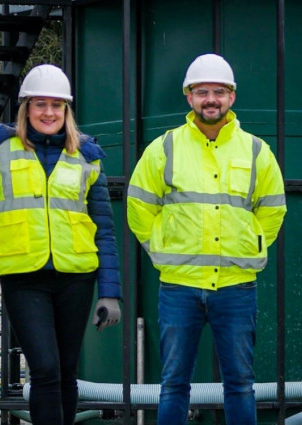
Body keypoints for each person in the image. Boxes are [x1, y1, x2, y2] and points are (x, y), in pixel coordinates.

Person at [127, 53, 287, 425]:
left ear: (232, 97)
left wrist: (252, 246)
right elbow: (138, 206)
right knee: (173, 385)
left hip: (236, 285)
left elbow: (274, 209)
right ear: (189, 97)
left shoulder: (256, 151)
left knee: (240, 385)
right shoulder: (164, 148)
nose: (210, 99)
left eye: (219, 91)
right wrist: (162, 251)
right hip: (179, 287)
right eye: (202, 91)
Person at [0, 64, 122, 425]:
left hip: (76, 277)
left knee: (64, 372)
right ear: (26, 108)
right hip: (23, 275)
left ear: (67, 111)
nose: (49, 113)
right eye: (40, 104)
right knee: (44, 368)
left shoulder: (88, 156)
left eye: (57, 105)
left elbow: (104, 230)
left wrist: (110, 293)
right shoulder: (0, 149)